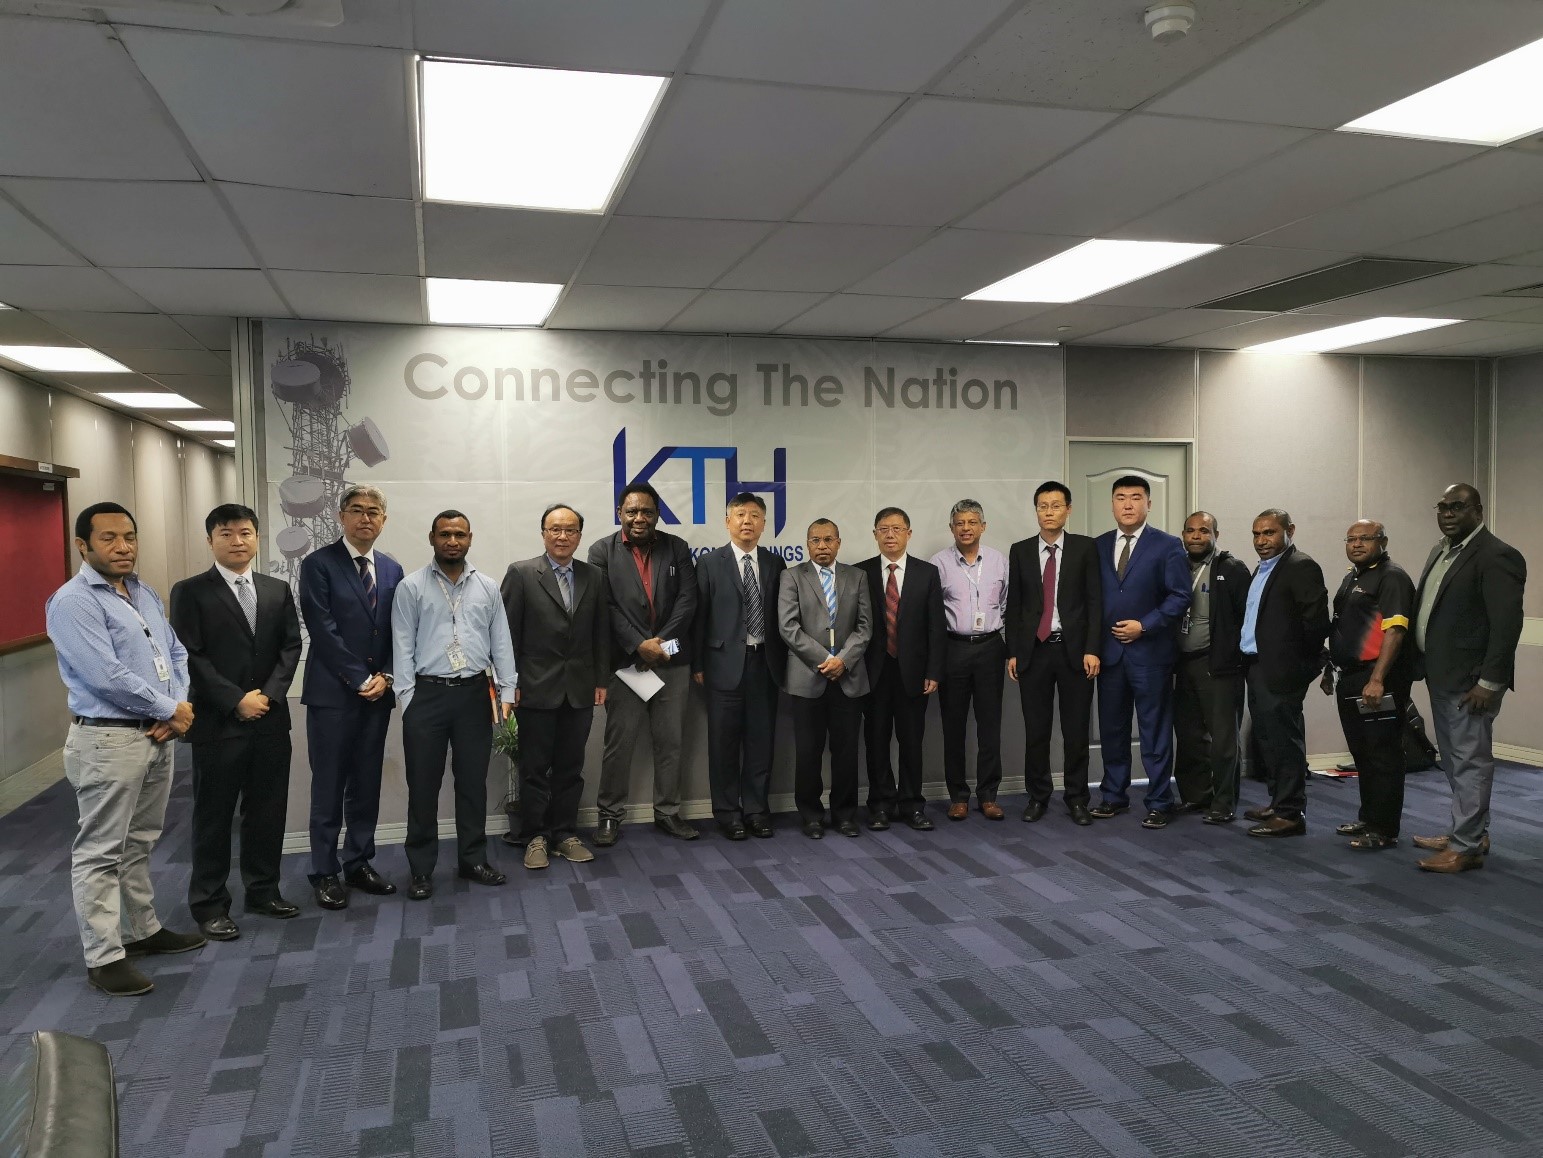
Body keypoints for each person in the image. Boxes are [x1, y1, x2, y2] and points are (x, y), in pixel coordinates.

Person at [45, 501, 203, 996]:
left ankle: (141, 930)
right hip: (107, 739)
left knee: (140, 841)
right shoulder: (73, 602)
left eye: (129, 537)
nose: (122, 546)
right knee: (100, 851)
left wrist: (174, 706)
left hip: (155, 733)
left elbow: (175, 652)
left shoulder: (143, 591)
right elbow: (105, 675)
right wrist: (169, 709)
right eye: (109, 538)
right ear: (82, 545)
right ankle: (103, 956)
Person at [170, 503, 302, 942]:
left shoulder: (277, 589)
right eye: (226, 534)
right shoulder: (190, 591)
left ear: (257, 538)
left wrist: (268, 695)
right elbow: (190, 655)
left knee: (267, 811)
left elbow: (290, 647)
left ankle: (263, 891)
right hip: (217, 723)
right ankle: (210, 905)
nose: (237, 541)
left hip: (269, 720)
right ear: (210, 540)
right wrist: (235, 700)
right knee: (214, 816)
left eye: (245, 532)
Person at [394, 511, 517, 898]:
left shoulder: (487, 586)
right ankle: (421, 870)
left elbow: (501, 642)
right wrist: (408, 700)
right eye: (445, 534)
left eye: (459, 534)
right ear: (431, 537)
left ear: (470, 538)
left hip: (473, 695)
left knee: (472, 784)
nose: (452, 541)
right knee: (423, 786)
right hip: (426, 696)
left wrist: (508, 691)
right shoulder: (411, 586)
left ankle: (472, 860)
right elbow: (402, 645)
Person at [1409, 484, 1526, 872]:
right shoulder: (1440, 551)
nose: (1447, 513)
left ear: (1478, 511)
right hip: (1441, 675)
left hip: (1471, 683)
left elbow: (1506, 626)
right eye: (1442, 507)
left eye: (1456, 507)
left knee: (1470, 762)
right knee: (1455, 760)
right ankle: (1472, 832)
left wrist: (1489, 683)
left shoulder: (1497, 556)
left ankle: (1466, 846)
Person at [297, 484, 403, 910]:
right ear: (341, 517)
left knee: (366, 783)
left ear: (384, 520)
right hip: (333, 696)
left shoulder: (392, 569)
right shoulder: (318, 564)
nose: (365, 518)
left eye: (373, 511)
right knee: (328, 785)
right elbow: (322, 629)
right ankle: (324, 871)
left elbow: (399, 630)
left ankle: (358, 861)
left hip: (377, 696)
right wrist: (360, 678)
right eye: (356, 510)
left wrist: (388, 676)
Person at [587, 482, 699, 845]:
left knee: (671, 743)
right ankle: (609, 815)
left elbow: (687, 600)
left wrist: (660, 643)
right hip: (625, 664)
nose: (639, 518)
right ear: (619, 513)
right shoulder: (601, 551)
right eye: (632, 511)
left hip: (671, 660)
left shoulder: (676, 547)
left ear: (657, 515)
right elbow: (604, 605)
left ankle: (667, 812)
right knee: (618, 745)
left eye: (647, 512)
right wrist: (639, 644)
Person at [501, 504, 608, 870]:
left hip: (579, 689)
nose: (563, 536)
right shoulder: (521, 573)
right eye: (555, 529)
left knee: (570, 767)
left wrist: (601, 680)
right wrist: (511, 682)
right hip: (534, 688)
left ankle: (564, 834)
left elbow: (601, 632)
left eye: (570, 530)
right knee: (534, 769)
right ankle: (535, 837)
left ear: (579, 535)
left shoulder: (594, 576)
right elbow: (508, 635)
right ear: (543, 533)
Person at [1090, 477, 1190, 828]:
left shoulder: (1168, 545)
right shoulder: (1098, 545)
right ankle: (1113, 796)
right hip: (1109, 656)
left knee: (1154, 731)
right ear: (1112, 504)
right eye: (1120, 498)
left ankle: (1160, 801)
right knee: (1112, 730)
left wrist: (1144, 626)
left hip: (1150, 654)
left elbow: (1180, 596)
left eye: (1135, 497)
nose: (1128, 504)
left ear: (1148, 503)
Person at [692, 492, 788, 840]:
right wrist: (697, 663)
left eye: (755, 515)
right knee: (723, 745)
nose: (748, 521)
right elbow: (699, 618)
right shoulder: (709, 563)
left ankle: (757, 811)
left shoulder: (775, 563)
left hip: (765, 663)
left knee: (761, 743)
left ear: (764, 524)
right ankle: (728, 813)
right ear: (727, 521)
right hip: (722, 665)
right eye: (740, 514)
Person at [1006, 482, 1102, 825]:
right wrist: (1014, 651)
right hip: (1034, 651)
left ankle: (1077, 798)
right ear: (1036, 511)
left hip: (1074, 652)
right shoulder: (1020, 550)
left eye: (1056, 505)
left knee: (1076, 731)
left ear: (1068, 509)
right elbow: (1014, 605)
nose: (1049, 512)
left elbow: (1095, 602)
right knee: (1037, 731)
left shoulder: (1085, 548)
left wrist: (1092, 648)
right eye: (1043, 506)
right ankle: (1038, 797)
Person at [1320, 520, 1416, 850]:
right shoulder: (1354, 577)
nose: (1357, 544)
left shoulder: (1392, 577)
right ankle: (1369, 817)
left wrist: (1377, 679)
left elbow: (1396, 630)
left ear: (1383, 542)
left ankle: (1384, 829)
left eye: (1365, 538)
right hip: (1350, 677)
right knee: (1362, 752)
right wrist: (1330, 669)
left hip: (1377, 678)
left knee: (1382, 754)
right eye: (1351, 539)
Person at [779, 519, 873, 838]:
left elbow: (865, 627)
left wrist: (843, 661)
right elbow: (788, 627)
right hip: (808, 677)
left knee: (846, 752)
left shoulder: (857, 577)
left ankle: (845, 815)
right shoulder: (792, 576)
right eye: (815, 540)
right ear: (807, 544)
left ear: (838, 543)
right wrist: (825, 660)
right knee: (808, 753)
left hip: (849, 677)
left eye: (828, 540)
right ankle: (811, 816)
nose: (822, 546)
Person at [1239, 509, 1329, 838]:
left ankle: (1291, 813)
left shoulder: (1301, 566)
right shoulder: (1263, 568)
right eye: (1256, 534)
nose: (1261, 540)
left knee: (1285, 741)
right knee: (1267, 738)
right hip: (1257, 665)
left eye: (1269, 533)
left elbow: (1316, 624)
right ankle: (1278, 803)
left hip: (1283, 670)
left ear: (1290, 530)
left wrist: (1299, 668)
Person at [857, 507, 945, 831]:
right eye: (884, 529)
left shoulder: (927, 573)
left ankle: (912, 805)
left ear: (909, 533)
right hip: (874, 673)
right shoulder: (861, 572)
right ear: (875, 535)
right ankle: (880, 805)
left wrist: (934, 671)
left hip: (914, 673)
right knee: (876, 742)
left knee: (911, 743)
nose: (890, 534)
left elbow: (936, 626)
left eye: (897, 528)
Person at [930, 500, 1009, 822]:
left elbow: (1007, 604)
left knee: (990, 725)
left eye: (972, 522)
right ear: (951, 528)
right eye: (960, 523)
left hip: (991, 647)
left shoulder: (999, 561)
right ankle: (958, 797)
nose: (966, 528)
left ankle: (988, 796)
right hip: (954, 649)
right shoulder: (938, 564)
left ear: (983, 526)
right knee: (954, 727)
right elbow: (932, 614)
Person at [1171, 512, 1251, 824]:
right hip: (1182, 664)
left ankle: (1224, 802)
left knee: (1223, 739)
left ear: (1216, 534)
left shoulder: (1231, 569)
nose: (1196, 536)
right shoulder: (1176, 565)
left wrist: (1235, 657)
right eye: (1190, 531)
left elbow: (1246, 618)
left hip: (1218, 665)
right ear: (1182, 534)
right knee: (1189, 736)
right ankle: (1196, 796)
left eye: (1204, 531)